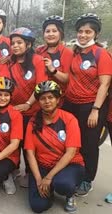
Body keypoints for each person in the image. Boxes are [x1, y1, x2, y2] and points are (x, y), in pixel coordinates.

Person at [63, 13, 112, 196]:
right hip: (70, 104)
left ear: (96, 34)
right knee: (71, 141)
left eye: (88, 32)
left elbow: (105, 84)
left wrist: (95, 110)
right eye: (81, 31)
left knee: (89, 144)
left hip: (91, 105)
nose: (83, 35)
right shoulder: (75, 52)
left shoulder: (101, 54)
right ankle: (71, 171)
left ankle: (87, 179)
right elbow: (69, 78)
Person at [25, 80, 85, 213]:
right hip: (43, 166)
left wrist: (49, 177)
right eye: (42, 98)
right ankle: (49, 190)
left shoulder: (69, 119)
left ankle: (70, 194)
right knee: (38, 206)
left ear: (58, 99)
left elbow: (70, 153)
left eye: (51, 97)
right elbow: (30, 153)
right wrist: (39, 179)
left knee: (63, 184)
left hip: (70, 164)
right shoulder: (33, 122)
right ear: (38, 102)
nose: (47, 101)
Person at [8, 27, 48, 187]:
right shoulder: (9, 62)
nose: (15, 46)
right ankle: (13, 169)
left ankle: (30, 172)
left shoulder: (37, 60)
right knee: (14, 141)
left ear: (29, 45)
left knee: (30, 144)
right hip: (14, 111)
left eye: (19, 43)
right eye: (13, 43)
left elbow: (40, 85)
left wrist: (28, 104)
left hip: (33, 110)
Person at [36, 15, 72, 98]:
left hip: (59, 98)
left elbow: (66, 79)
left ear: (60, 33)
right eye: (47, 31)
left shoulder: (67, 52)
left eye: (54, 31)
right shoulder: (39, 50)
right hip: (41, 96)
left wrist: (52, 69)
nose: (50, 34)